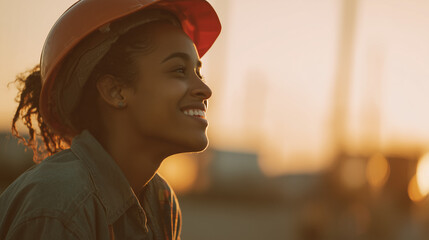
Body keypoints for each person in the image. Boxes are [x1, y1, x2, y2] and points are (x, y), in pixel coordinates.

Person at [0, 0, 221, 239]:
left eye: (199, 72)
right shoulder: (59, 207)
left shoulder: (162, 202)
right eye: (179, 70)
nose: (205, 90)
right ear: (115, 91)